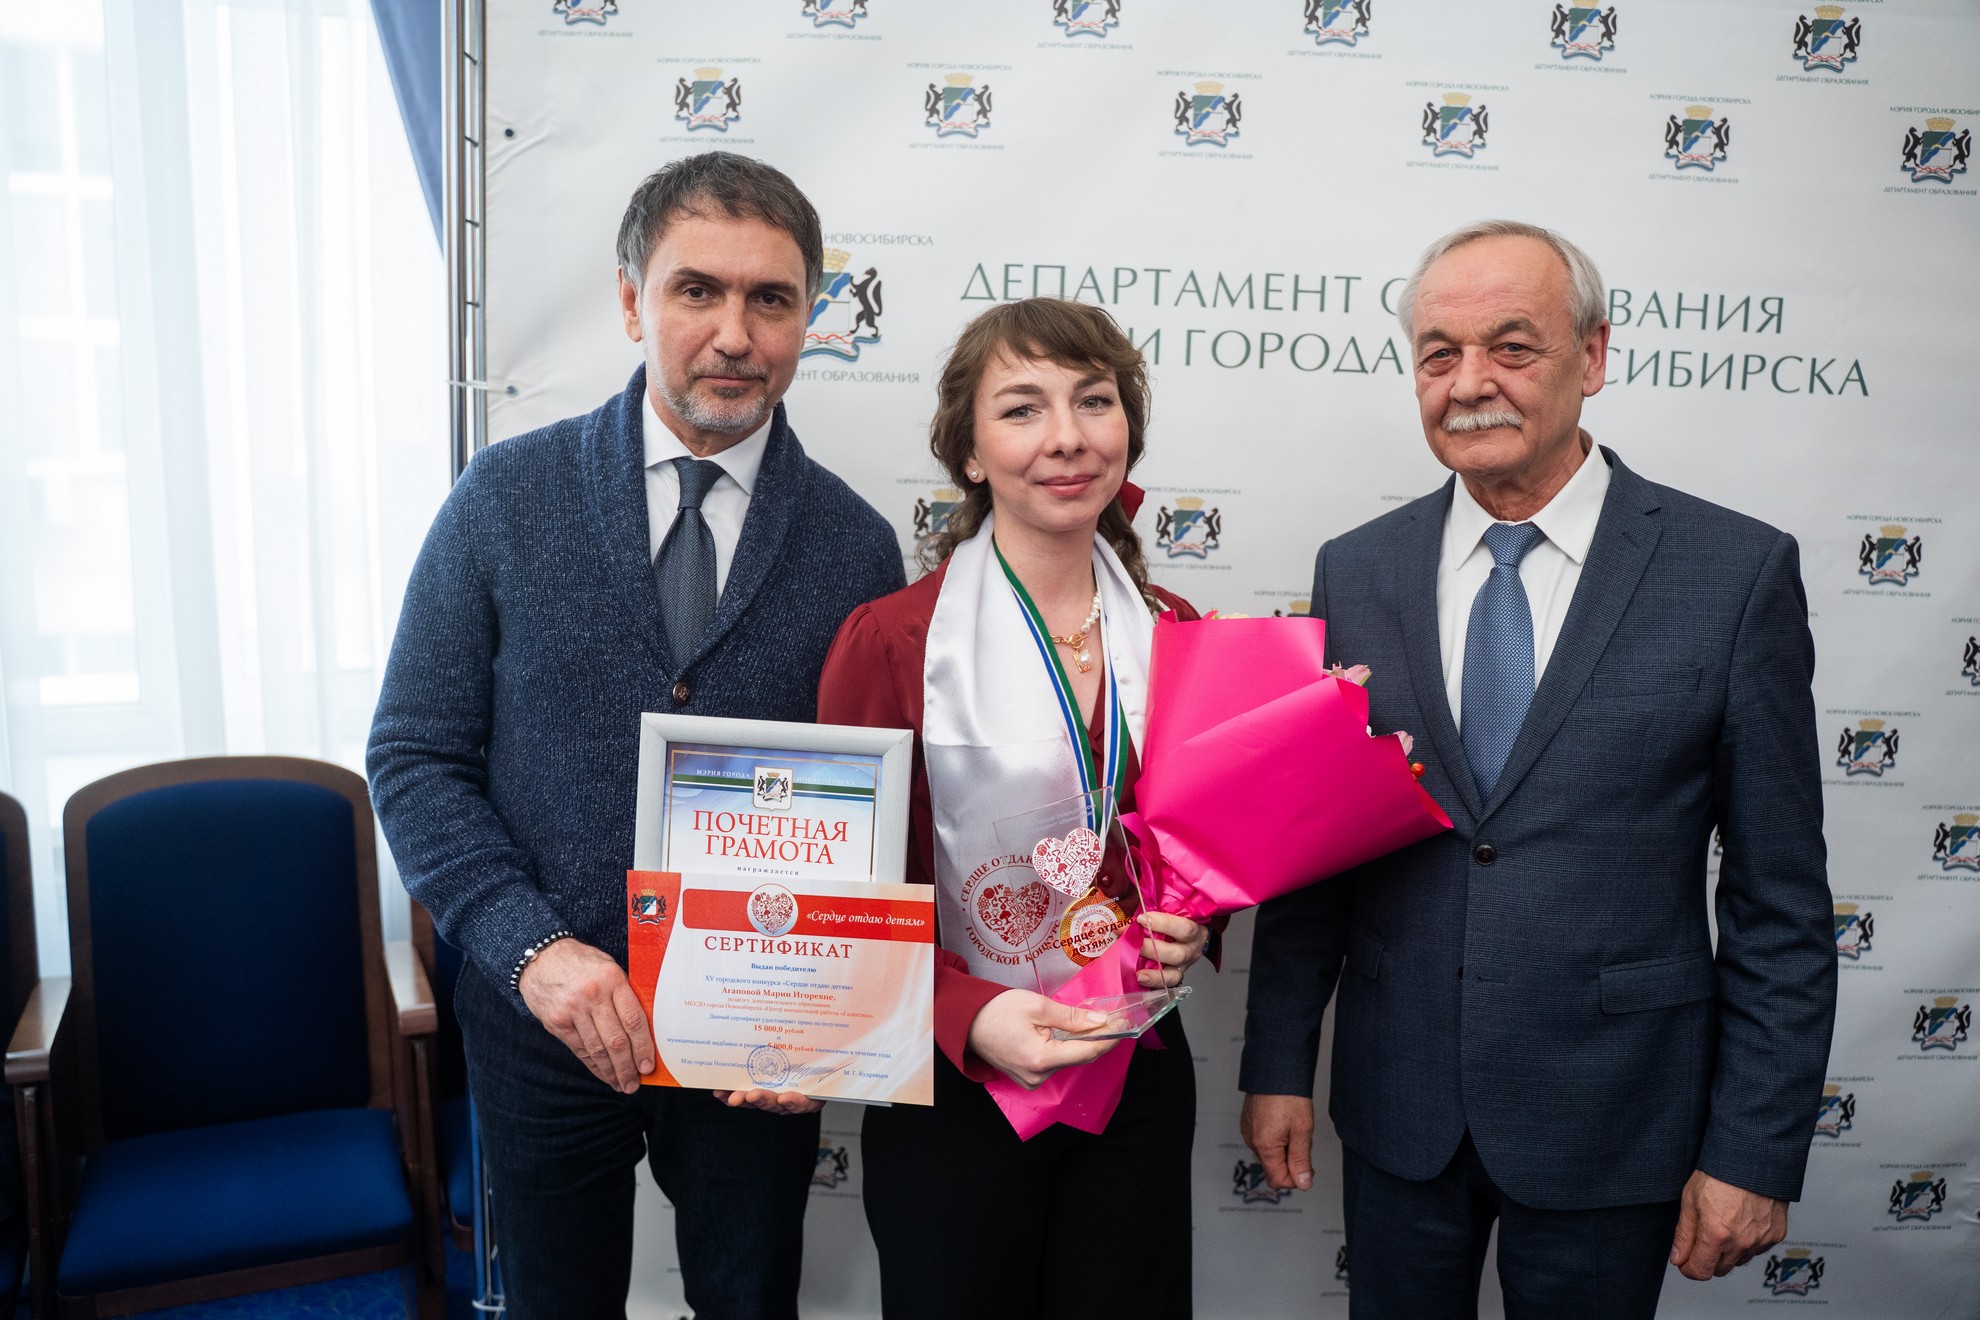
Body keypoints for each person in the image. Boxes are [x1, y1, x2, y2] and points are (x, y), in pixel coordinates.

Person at [1239, 220, 1835, 1318]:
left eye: (1512, 348)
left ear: (1593, 357)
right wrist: (1276, 1062)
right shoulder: (1357, 570)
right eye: (1439, 354)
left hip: (1613, 1116)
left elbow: (1780, 902)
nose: (1470, 384)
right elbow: (1319, 848)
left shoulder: (1734, 574)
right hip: (1398, 1108)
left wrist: (1755, 1147)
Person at [366, 152, 904, 1320]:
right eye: (695, 290)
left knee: (751, 1301)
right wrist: (533, 952)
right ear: (630, 301)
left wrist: (824, 1010)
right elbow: (414, 757)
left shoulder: (858, 548)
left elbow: (873, 810)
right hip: (541, 1014)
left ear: (811, 318)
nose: (734, 334)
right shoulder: (503, 500)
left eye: (771, 299)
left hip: (756, 1034)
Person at [818, 298, 1211, 1319]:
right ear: (970, 453)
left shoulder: (1178, 632)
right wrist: (970, 1014)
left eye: (1095, 401)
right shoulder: (892, 642)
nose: (1067, 436)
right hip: (955, 1082)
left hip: (1133, 1068)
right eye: (1023, 409)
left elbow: (1194, 847)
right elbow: (840, 909)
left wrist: (1194, 921)